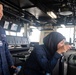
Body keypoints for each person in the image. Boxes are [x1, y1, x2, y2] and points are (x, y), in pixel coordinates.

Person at [0, 3, 16, 75]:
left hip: (4, 69)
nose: (1, 13)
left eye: (2, 10)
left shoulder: (2, 30)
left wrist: (11, 64)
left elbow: (6, 49)